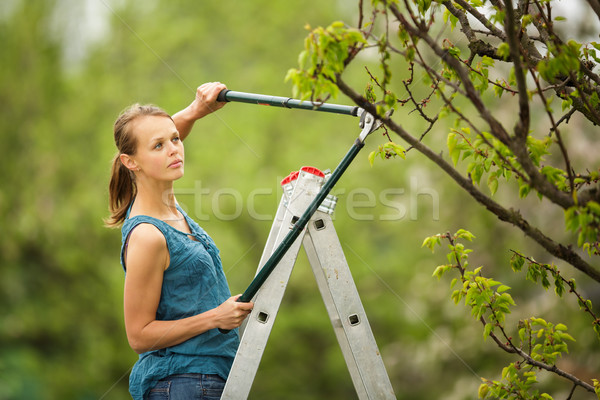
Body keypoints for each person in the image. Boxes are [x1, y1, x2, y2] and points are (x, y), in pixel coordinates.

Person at [106, 82, 254, 400]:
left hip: (211, 378)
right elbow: (139, 335)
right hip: (183, 382)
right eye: (159, 146)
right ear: (131, 162)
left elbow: (155, 141)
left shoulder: (164, 204)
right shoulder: (147, 235)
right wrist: (216, 317)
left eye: (175, 139)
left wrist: (195, 111)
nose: (174, 149)